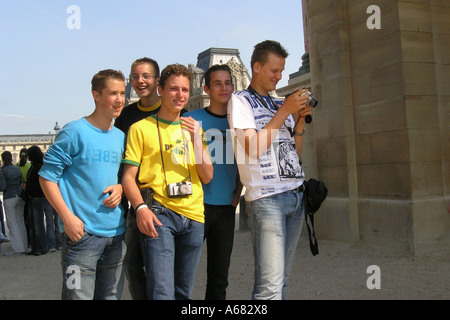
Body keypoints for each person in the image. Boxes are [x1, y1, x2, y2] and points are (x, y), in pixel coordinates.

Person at [227, 40, 312, 300]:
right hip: (267, 199)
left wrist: (298, 122)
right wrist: (285, 110)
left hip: (295, 196)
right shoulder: (240, 101)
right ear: (256, 67)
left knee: (283, 280)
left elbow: (293, 155)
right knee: (269, 287)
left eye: (282, 70)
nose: (279, 76)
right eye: (274, 71)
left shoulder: (278, 104)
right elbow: (252, 148)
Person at [122, 63, 214, 300]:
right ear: (161, 90)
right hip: (159, 214)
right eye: (174, 89)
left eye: (184, 89)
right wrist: (140, 208)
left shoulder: (195, 129)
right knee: (162, 292)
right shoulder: (139, 129)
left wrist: (195, 137)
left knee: (183, 293)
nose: (180, 95)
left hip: (194, 215)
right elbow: (128, 177)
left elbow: (207, 175)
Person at [39, 69, 127, 300]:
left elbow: (118, 176)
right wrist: (67, 218)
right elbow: (47, 178)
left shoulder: (119, 136)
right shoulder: (74, 131)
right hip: (81, 237)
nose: (119, 99)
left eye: (122, 93)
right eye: (112, 93)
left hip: (115, 235)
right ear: (96, 95)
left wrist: (120, 187)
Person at [184, 64, 242, 300]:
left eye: (228, 82)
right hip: (195, 208)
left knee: (219, 278)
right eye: (217, 83)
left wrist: (237, 193)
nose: (224, 88)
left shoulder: (240, 123)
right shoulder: (190, 119)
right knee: (183, 274)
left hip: (226, 208)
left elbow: (245, 162)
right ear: (206, 88)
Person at [114, 57, 161, 300]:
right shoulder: (126, 115)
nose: (140, 81)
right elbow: (119, 156)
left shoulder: (175, 111)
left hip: (167, 200)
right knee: (132, 263)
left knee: (160, 268)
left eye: (145, 76)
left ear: (157, 80)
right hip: (136, 198)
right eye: (135, 77)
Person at [25, 146, 60, 255]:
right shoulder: (36, 166)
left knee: (38, 225)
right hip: (37, 197)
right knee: (37, 224)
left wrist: (27, 187)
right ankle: (38, 247)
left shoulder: (38, 167)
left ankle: (41, 248)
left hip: (38, 197)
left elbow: (39, 185)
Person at [0, 151, 28, 255]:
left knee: (12, 224)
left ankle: (17, 248)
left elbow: (2, 186)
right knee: (20, 222)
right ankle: (24, 245)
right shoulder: (17, 169)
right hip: (19, 196)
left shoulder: (2, 171)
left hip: (9, 197)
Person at [17, 148, 32, 248]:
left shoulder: (17, 166)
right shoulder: (30, 165)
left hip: (21, 193)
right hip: (30, 191)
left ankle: (27, 240)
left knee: (24, 217)